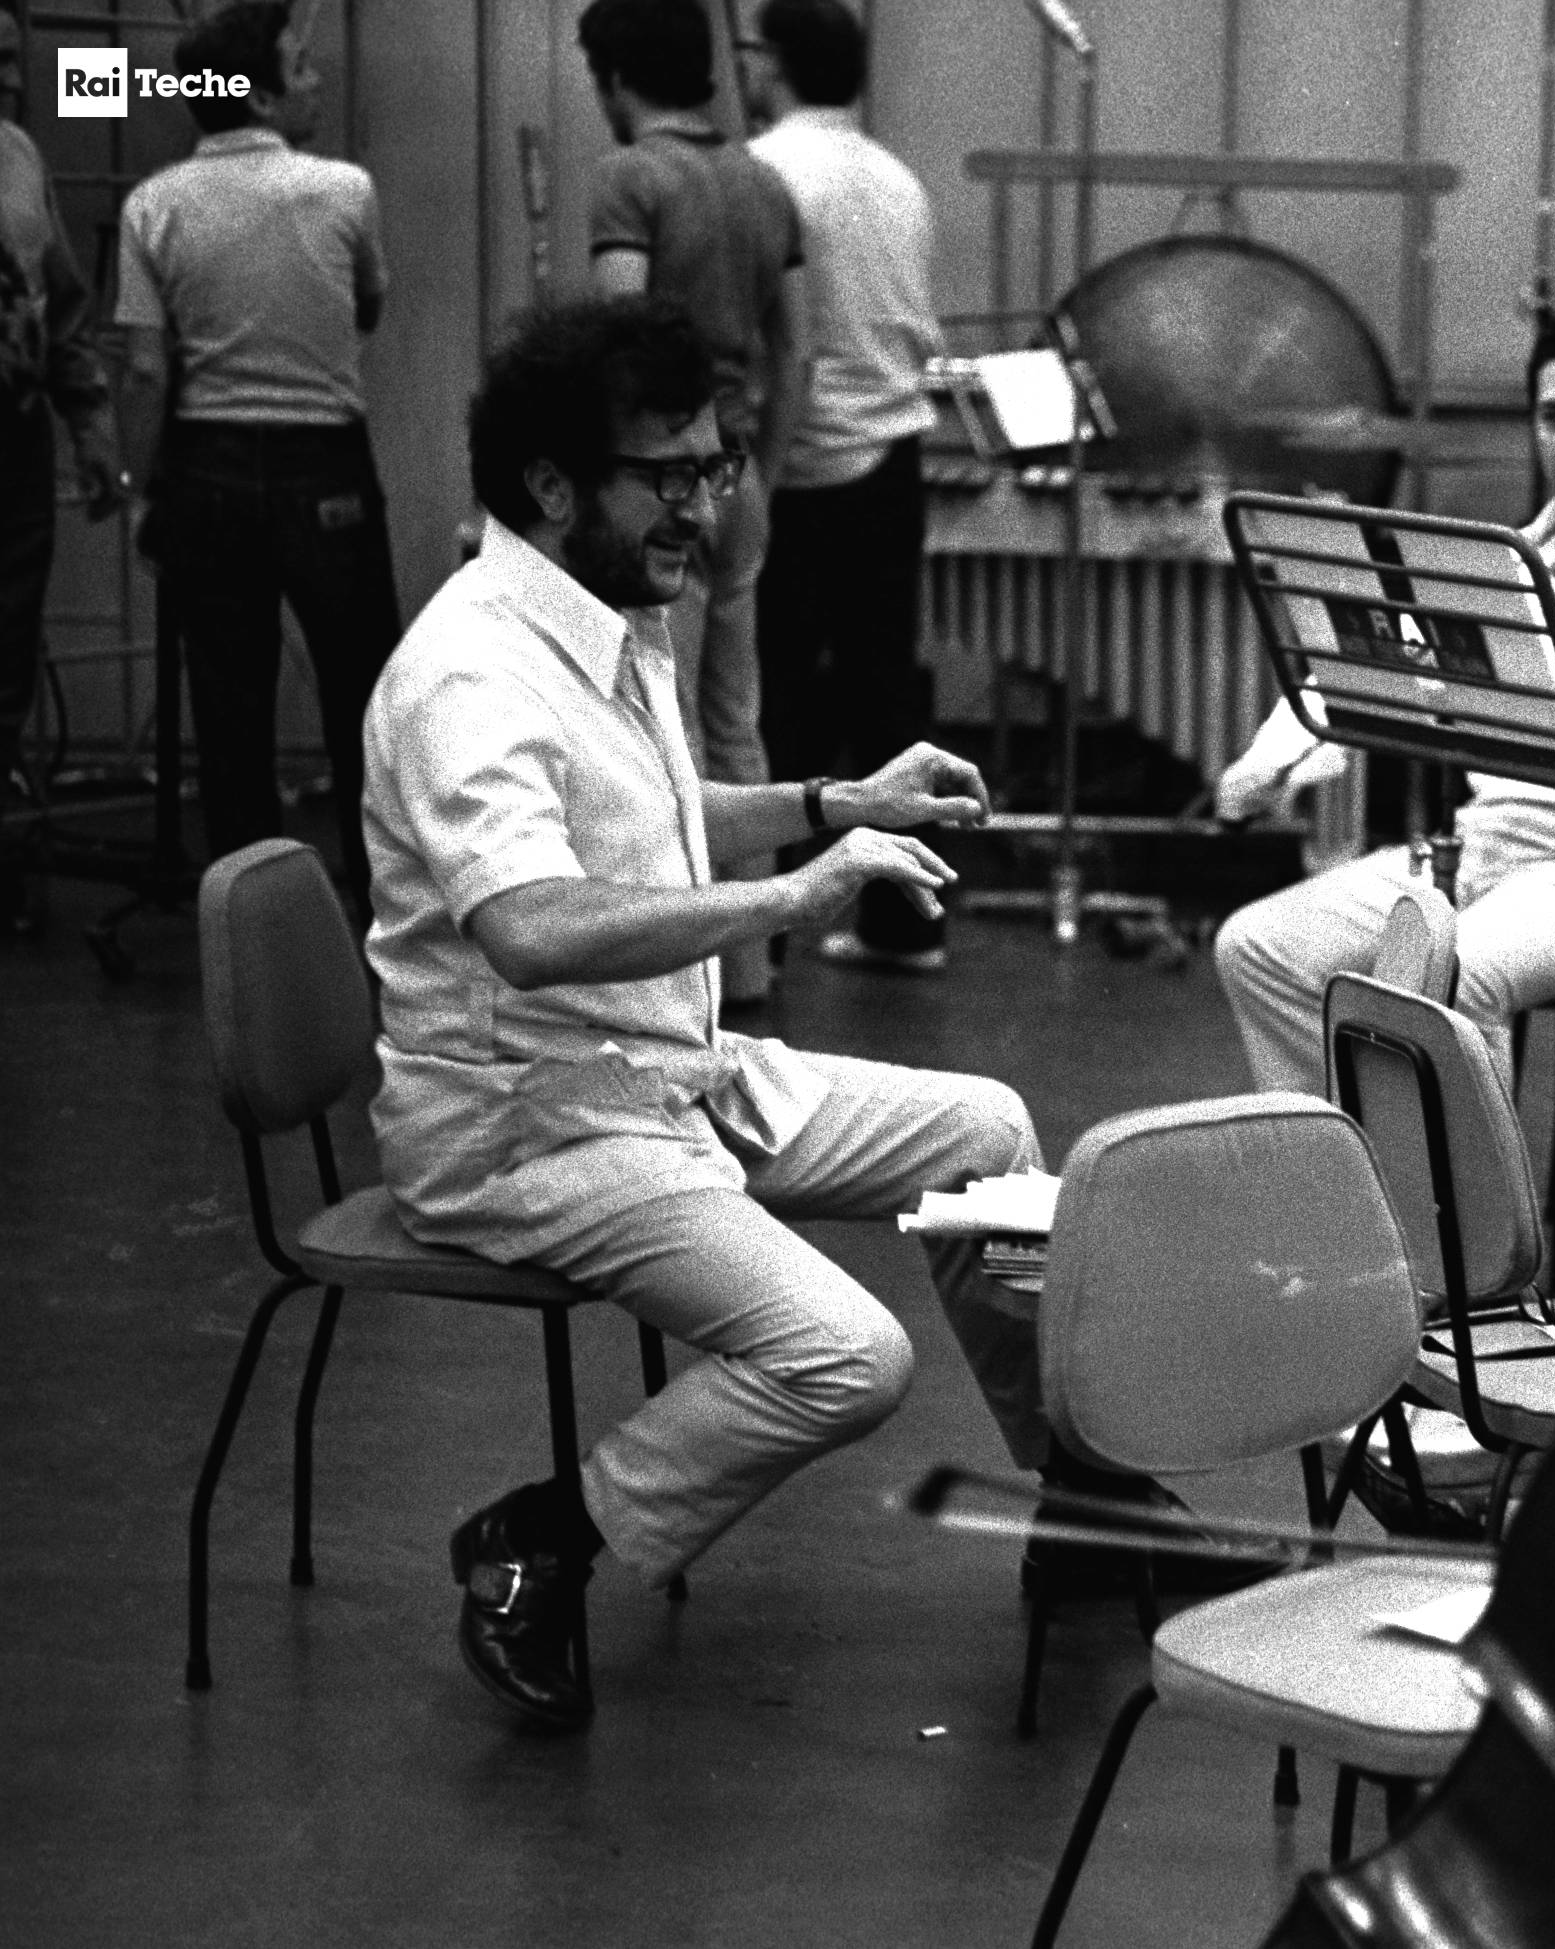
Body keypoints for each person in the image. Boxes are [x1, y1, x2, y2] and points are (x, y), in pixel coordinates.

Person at [361, 298, 1040, 1731]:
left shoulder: (606, 614)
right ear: (551, 484)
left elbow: (649, 821)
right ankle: (549, 1535)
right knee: (848, 1357)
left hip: (661, 1069)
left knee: (990, 1133)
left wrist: (825, 804)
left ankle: (1084, 1501)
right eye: (667, 475)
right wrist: (800, 898)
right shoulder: (466, 672)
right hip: (526, 1126)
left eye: (716, 466)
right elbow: (532, 927)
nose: (704, 507)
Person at [1215, 308, 1555, 1087]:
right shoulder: (1521, 553)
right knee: (1261, 950)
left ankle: (1472, 1211)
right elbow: (1377, 668)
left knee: (1453, 972)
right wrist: (1270, 764)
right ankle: (1344, 1178)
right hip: (1490, 849)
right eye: (1552, 415)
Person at [116, 0, 398, 895]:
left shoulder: (150, 205)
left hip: (207, 470)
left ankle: (254, 919)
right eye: (302, 65)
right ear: (266, 99)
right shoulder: (343, 190)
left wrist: (139, 482)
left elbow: (146, 368)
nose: (315, 80)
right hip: (327, 466)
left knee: (230, 708)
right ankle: (382, 896)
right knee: (364, 689)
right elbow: (368, 307)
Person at [579, 0, 808, 1005]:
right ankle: (749, 962)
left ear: (618, 78)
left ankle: (688, 965)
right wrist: (768, 462)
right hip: (743, 468)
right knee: (735, 718)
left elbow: (615, 333)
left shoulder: (631, 179)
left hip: (658, 484)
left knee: (662, 729)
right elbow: (795, 344)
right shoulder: (761, 180)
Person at [741, 0, 949, 970]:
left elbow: (774, 338)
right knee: (886, 694)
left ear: (774, 64)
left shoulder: (766, 173)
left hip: (803, 462)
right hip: (894, 458)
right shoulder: (897, 178)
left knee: (774, 697)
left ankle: (764, 933)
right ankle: (908, 922)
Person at [0, 10, 124, 801]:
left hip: (13, 439)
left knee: (8, 640)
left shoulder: (18, 155)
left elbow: (65, 308)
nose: (13, 80)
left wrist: (92, 428)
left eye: (16, 60)